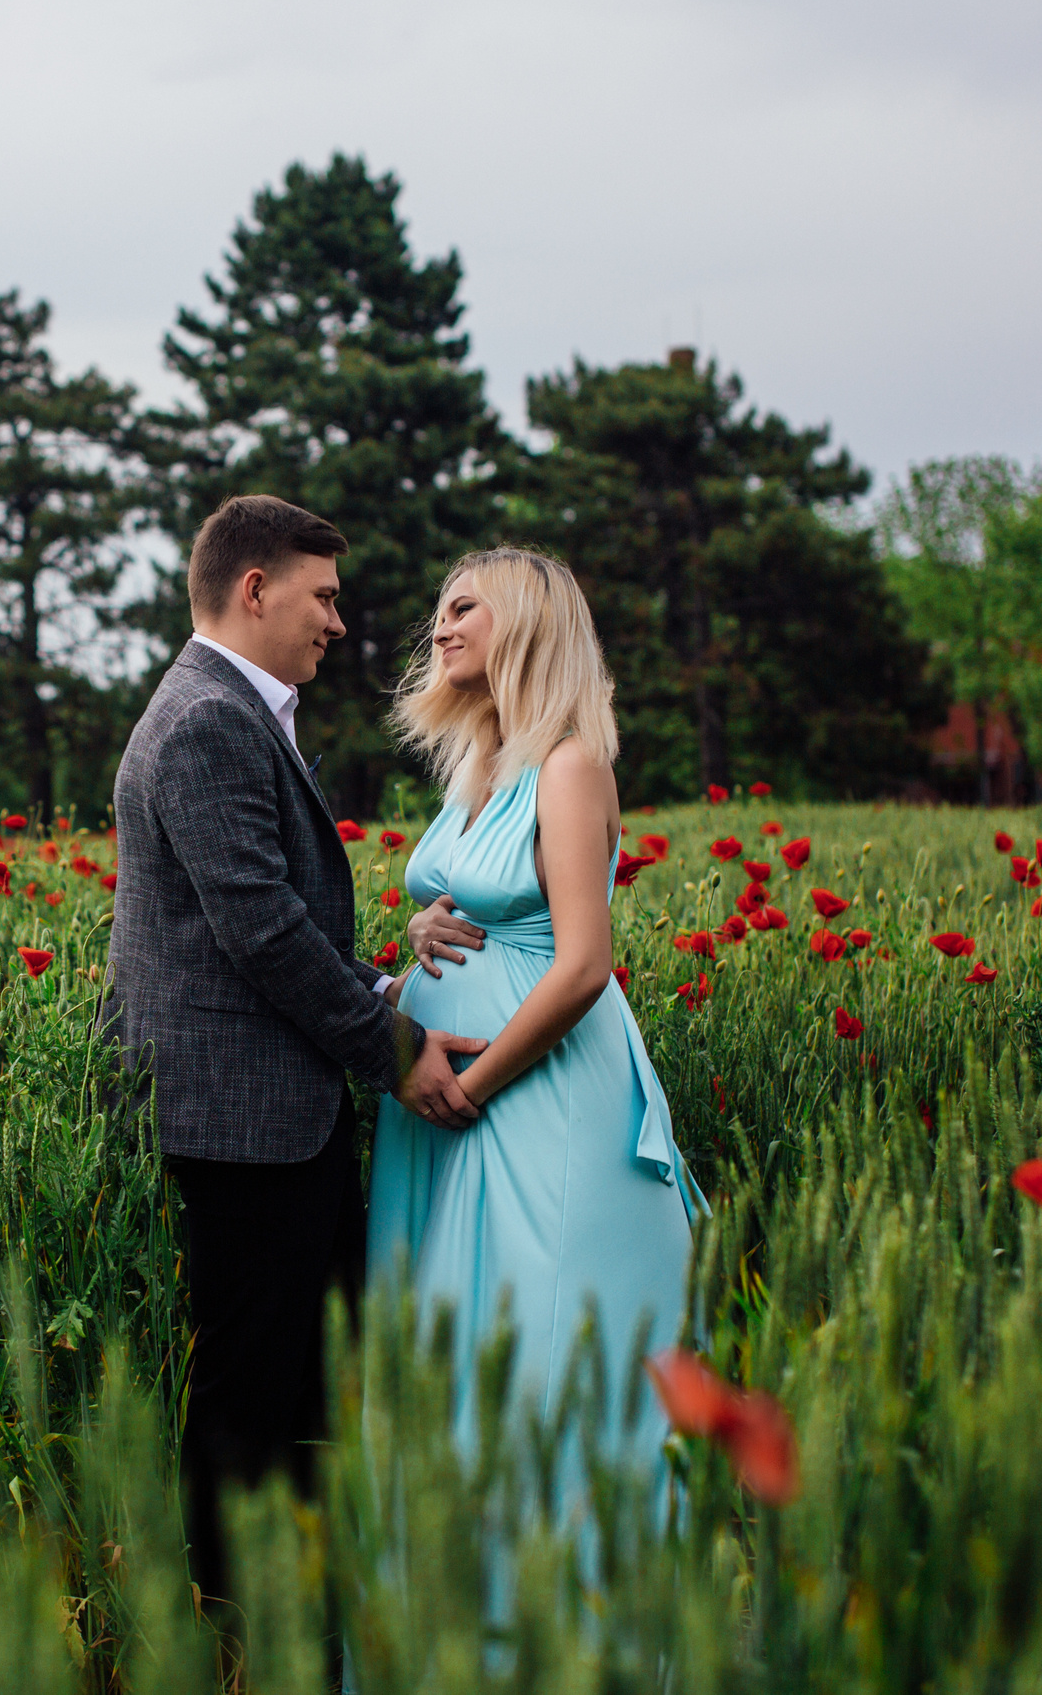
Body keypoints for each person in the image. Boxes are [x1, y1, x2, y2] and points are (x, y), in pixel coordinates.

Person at [105, 494, 492, 1618]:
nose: (338, 620)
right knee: (252, 1385)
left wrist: (381, 982)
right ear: (255, 588)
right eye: (322, 595)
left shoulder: (233, 708)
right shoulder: (209, 720)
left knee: (309, 1369)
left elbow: (276, 928)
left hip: (273, 1107)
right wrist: (395, 1045)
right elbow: (259, 926)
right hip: (239, 1117)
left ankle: (304, 1597)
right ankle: (234, 1626)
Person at [371, 547, 704, 1523]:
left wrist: (468, 1087)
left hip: (530, 1098)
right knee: (447, 1356)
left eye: (465, 606)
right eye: (440, 606)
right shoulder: (477, 760)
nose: (441, 625)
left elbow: (580, 963)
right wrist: (420, 928)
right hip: (437, 1109)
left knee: (534, 1361)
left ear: (525, 623)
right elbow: (475, 907)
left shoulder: (568, 762)